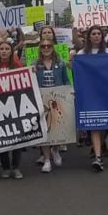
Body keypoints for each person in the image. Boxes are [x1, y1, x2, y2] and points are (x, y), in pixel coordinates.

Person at [34, 39, 70, 173]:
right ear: (40, 49)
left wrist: (68, 91)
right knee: (45, 129)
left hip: (58, 99)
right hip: (41, 100)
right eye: (43, 46)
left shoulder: (60, 64)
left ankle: (55, 149)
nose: (46, 48)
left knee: (57, 126)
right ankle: (47, 160)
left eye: (49, 46)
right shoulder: (35, 65)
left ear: (53, 48)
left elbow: (66, 79)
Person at [0, 39, 24, 178]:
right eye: (1, 49)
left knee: (17, 138)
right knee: (2, 137)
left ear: (11, 51)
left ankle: (16, 167)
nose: (4, 51)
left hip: (15, 105)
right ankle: (5, 167)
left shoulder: (17, 65)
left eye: (7, 49)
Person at [80, 25, 108, 171]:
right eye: (94, 33)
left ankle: (101, 144)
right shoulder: (82, 53)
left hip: (105, 93)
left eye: (99, 33)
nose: (96, 36)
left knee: (105, 125)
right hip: (90, 93)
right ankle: (98, 157)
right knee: (94, 125)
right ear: (89, 36)